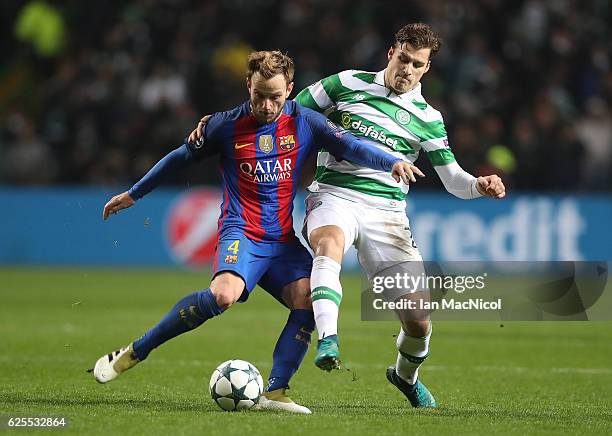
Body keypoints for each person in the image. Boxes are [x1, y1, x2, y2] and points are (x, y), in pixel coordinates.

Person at [189, 24, 506, 409]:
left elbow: (453, 179)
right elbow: (284, 110)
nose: (407, 68)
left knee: (419, 320)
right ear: (391, 53)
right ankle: (328, 339)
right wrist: (223, 121)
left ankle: (405, 377)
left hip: (387, 212)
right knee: (329, 243)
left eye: (416, 64)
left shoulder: (428, 118)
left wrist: (478, 185)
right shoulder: (345, 83)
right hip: (333, 194)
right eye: (403, 58)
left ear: (426, 69)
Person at [93, 50, 418, 414]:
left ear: (290, 90)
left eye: (275, 97)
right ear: (248, 85)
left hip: (281, 239)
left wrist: (392, 161)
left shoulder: (305, 122)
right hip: (242, 233)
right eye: (259, 95)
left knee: (311, 301)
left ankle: (276, 392)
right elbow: (179, 157)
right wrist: (134, 193)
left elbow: (351, 145)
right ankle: (137, 350)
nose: (266, 105)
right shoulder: (223, 126)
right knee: (223, 296)